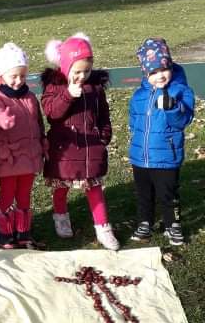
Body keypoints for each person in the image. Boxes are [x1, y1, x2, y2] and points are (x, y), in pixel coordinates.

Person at [41, 32, 119, 250]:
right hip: (64, 150)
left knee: (95, 189)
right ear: (65, 68)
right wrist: (68, 95)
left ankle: (103, 227)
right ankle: (61, 217)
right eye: (77, 72)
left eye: (87, 71)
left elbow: (103, 114)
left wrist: (104, 136)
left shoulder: (94, 89)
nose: (82, 76)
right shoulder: (54, 87)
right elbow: (51, 114)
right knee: (61, 187)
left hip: (90, 149)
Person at [130, 37, 195, 246]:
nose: (160, 76)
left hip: (167, 156)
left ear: (170, 65)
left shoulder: (180, 91)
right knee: (143, 194)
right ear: (145, 73)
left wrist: (172, 108)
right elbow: (134, 120)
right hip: (141, 157)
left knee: (167, 193)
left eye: (163, 69)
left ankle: (172, 225)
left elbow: (183, 120)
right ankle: (145, 223)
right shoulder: (139, 95)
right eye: (153, 72)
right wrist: (137, 139)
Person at [0, 42, 46, 248]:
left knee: (25, 193)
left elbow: (38, 122)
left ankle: (23, 231)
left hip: (29, 155)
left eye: (23, 76)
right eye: (13, 76)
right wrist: (1, 119)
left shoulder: (29, 96)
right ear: (2, 75)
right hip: (8, 156)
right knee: (7, 193)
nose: (18, 81)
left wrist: (44, 141)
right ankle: (5, 234)